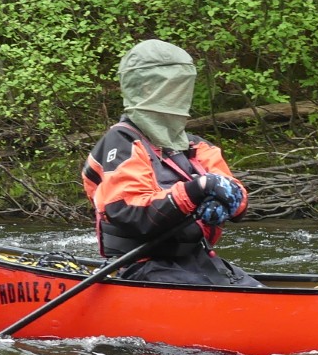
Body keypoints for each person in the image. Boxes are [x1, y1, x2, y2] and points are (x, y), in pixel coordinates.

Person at [82, 39, 261, 287]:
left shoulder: (195, 146)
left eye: (180, 87)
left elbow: (236, 194)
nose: (177, 95)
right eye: (170, 87)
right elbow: (129, 212)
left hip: (199, 261)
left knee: (256, 291)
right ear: (145, 88)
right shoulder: (121, 142)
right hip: (142, 267)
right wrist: (196, 190)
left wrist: (230, 200)